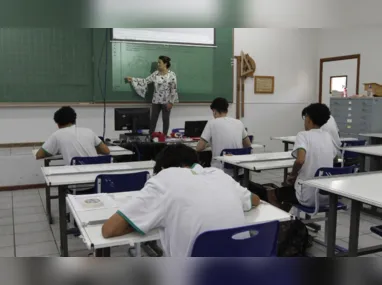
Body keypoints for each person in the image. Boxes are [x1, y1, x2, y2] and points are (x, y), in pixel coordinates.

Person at [102, 144, 260, 257]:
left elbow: (109, 229)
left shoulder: (165, 178)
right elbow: (255, 200)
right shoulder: (218, 174)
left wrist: (148, 221)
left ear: (163, 168)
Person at [268, 103, 337, 211]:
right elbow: (332, 158)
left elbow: (300, 160)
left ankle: (284, 224)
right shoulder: (328, 136)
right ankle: (289, 219)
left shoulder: (303, 135)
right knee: (288, 192)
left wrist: (292, 175)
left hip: (308, 196)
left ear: (308, 119)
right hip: (327, 196)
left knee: (272, 194)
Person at [35, 106, 110, 165]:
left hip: (76, 175)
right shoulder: (89, 131)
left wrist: (58, 149)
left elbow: (39, 155)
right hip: (97, 175)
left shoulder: (57, 135)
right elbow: (106, 151)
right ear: (74, 120)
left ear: (58, 124)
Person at [125, 55, 178, 135]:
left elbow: (173, 89)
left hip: (166, 101)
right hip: (156, 101)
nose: (158, 64)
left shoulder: (172, 75)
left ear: (165, 64)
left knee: (165, 120)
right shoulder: (156, 74)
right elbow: (145, 81)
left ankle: (164, 137)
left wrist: (171, 102)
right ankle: (150, 136)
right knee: (153, 119)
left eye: (160, 62)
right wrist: (133, 79)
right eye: (158, 62)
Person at [196, 97, 252, 171]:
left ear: (214, 111)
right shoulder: (239, 122)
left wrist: (208, 144)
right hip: (239, 168)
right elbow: (248, 145)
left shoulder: (212, 123)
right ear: (226, 110)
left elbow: (199, 148)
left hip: (220, 171)